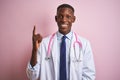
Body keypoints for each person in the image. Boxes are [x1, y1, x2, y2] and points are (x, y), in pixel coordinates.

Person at [26, 4, 95, 80]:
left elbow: (89, 76)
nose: (64, 20)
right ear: (56, 18)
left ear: (73, 19)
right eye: (60, 16)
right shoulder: (44, 43)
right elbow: (32, 76)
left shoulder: (84, 44)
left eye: (68, 16)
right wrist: (34, 50)